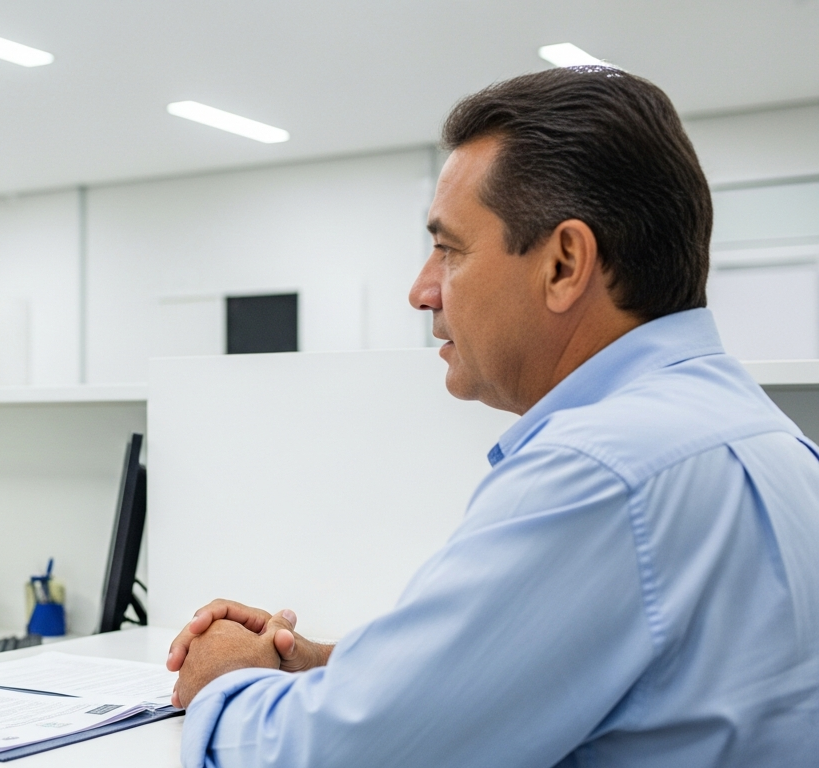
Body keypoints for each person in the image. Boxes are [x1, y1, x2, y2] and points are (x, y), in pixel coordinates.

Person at [166, 67, 819, 767]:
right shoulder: (772, 442)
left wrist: (228, 678)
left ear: (565, 263)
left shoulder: (601, 471)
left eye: (449, 250)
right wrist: (334, 667)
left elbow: (331, 755)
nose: (422, 292)